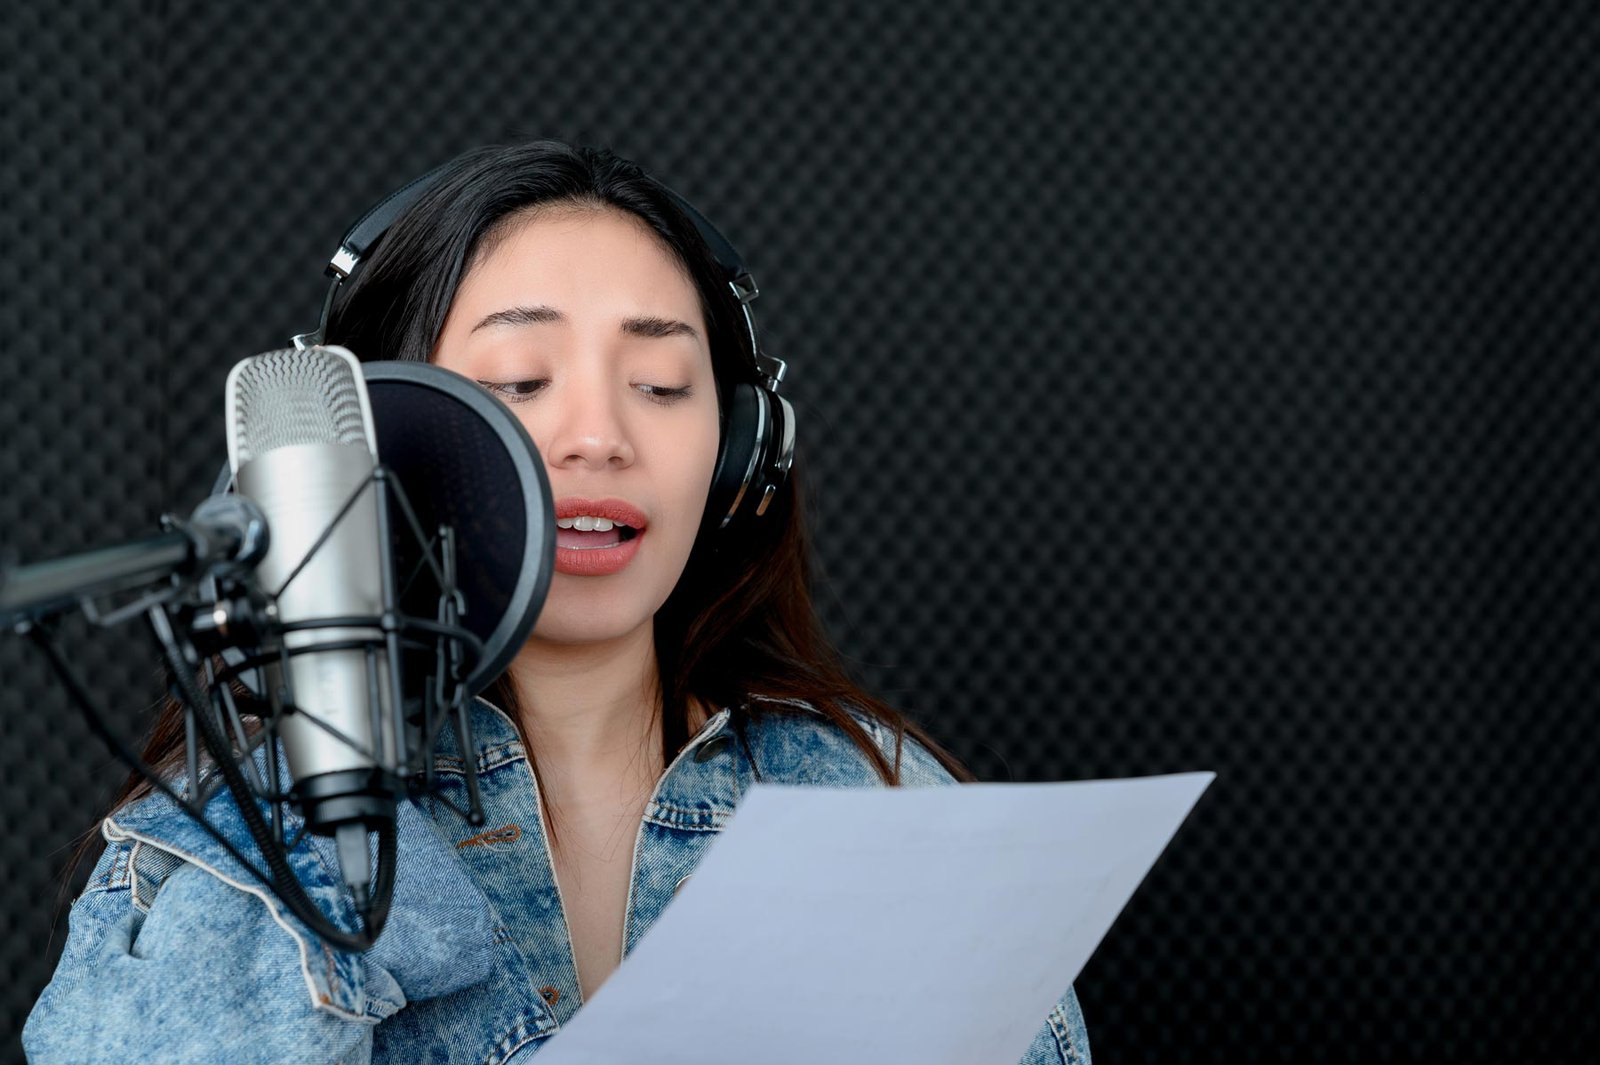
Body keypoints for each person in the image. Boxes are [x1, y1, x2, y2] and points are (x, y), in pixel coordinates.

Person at [23, 140, 1092, 1063]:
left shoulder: (881, 801)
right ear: (383, 430)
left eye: (663, 386)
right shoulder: (234, 843)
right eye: (520, 383)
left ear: (740, 457)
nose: (598, 437)